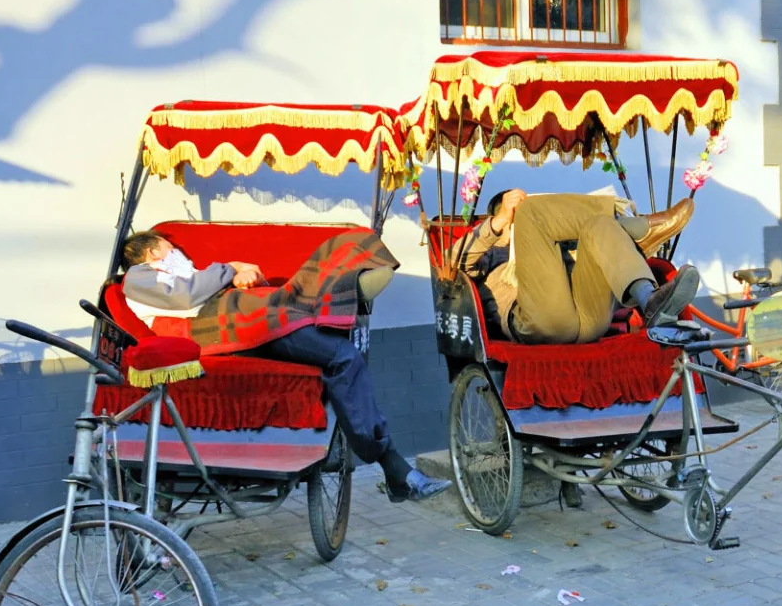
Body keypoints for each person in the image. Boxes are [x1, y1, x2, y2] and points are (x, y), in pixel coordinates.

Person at [119, 230, 452, 503]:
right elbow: (187, 297)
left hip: (241, 315)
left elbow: (194, 288)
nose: (179, 252)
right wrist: (230, 268)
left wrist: (234, 275)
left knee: (322, 320)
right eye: (171, 248)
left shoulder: (165, 273)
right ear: (152, 252)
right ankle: (395, 469)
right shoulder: (140, 276)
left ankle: (340, 285)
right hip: (226, 324)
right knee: (341, 355)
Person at [448, 189, 700, 345]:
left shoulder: (552, 240)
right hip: (540, 321)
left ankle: (650, 300)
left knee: (598, 226)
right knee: (531, 212)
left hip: (590, 320)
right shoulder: (491, 251)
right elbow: (453, 263)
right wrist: (502, 221)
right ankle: (635, 228)